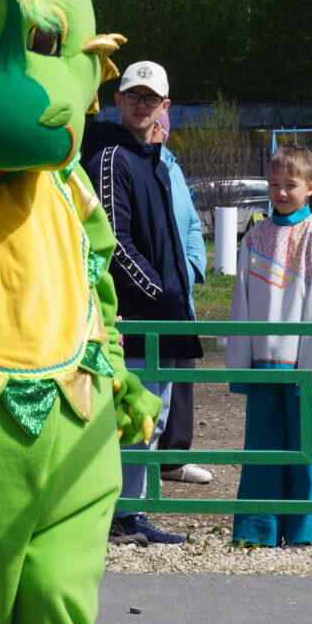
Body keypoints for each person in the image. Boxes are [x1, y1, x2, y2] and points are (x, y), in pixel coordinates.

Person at [81, 60, 207, 546]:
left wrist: (179, 289)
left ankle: (128, 512)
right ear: (118, 100)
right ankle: (116, 515)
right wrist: (158, 292)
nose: (140, 104)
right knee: (130, 415)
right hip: (137, 317)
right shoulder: (111, 158)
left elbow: (179, 233)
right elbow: (114, 243)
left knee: (151, 418)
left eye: (149, 98)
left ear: (164, 106)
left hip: (167, 314)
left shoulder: (153, 158)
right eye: (132, 96)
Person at [226, 144, 312, 547]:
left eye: (290, 185)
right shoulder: (254, 236)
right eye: (274, 184)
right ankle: (256, 530)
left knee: (305, 449)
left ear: (311, 187)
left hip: (303, 363)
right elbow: (240, 302)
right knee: (261, 448)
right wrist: (239, 363)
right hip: (262, 361)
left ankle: (304, 531)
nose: (280, 193)